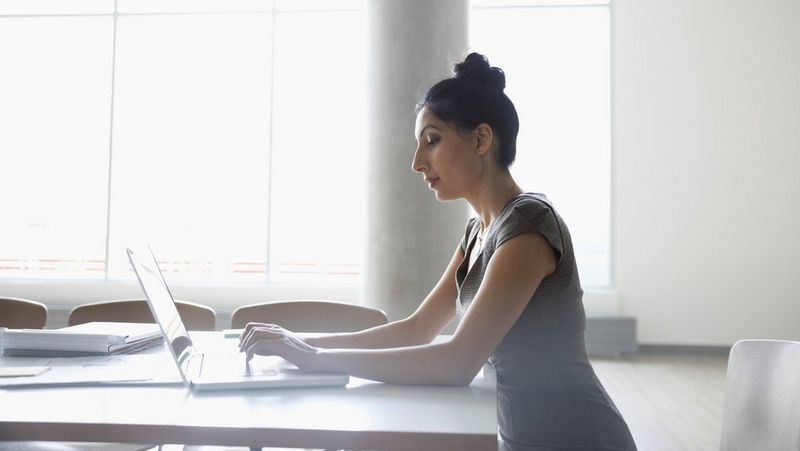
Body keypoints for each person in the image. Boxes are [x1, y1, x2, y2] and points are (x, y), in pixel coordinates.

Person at [239, 52, 637, 451]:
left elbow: (457, 362)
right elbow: (416, 328)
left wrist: (317, 360)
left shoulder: (528, 225)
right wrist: (302, 344)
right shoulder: (479, 232)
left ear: (482, 139)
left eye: (432, 140)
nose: (416, 162)